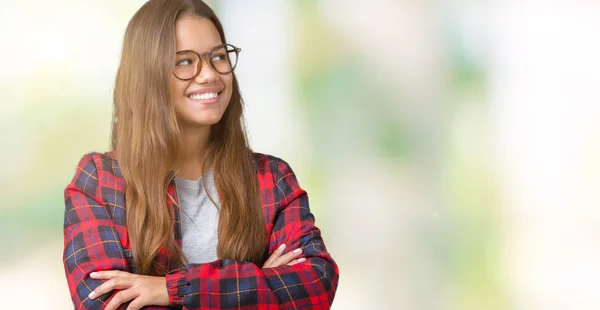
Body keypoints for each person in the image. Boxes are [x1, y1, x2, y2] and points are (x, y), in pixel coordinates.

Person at [62, 0, 339, 309]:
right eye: (184, 61)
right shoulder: (99, 181)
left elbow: (317, 284)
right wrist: (258, 281)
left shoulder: (272, 178)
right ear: (147, 74)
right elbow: (104, 303)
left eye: (218, 56)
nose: (209, 75)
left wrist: (172, 290)